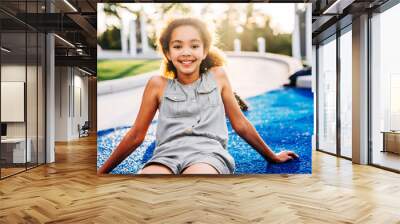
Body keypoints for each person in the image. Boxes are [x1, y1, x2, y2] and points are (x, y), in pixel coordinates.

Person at [98, 17, 298, 175]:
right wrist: (101, 172)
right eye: (177, 46)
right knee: (147, 189)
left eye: (194, 46)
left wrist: (272, 156)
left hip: (208, 155)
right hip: (166, 156)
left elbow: (241, 124)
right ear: (167, 52)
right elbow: (136, 135)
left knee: (195, 185)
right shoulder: (156, 85)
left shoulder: (218, 76)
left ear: (204, 51)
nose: (186, 52)